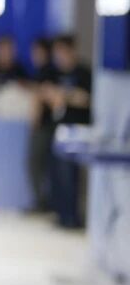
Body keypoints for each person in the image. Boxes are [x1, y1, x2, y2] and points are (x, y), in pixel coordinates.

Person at [45, 33, 93, 229]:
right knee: (56, 173)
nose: (58, 56)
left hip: (78, 130)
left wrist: (64, 95)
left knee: (70, 175)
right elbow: (45, 92)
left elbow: (85, 99)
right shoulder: (52, 72)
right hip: (57, 128)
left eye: (61, 51)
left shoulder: (83, 73)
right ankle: (61, 214)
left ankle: (72, 217)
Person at [27, 37, 58, 212]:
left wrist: (35, 121)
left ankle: (42, 202)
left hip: (44, 126)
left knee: (35, 163)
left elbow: (40, 99)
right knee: (40, 165)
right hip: (47, 126)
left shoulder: (46, 72)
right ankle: (43, 201)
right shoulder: (45, 71)